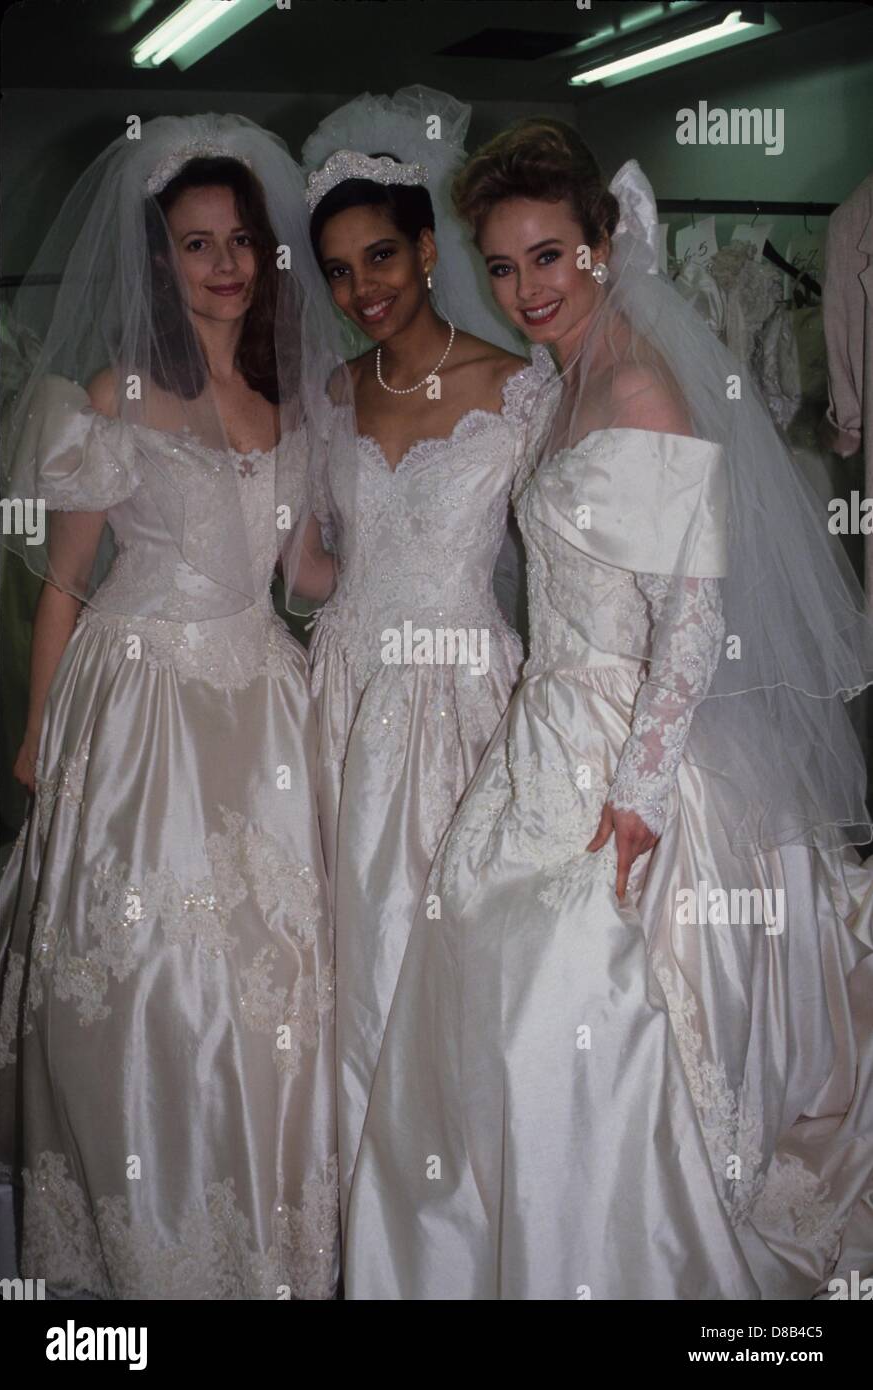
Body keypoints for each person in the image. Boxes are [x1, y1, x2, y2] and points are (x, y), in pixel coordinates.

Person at [344, 120, 873, 1300]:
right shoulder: (560, 378)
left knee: (563, 995)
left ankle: (595, 1250)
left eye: (548, 256)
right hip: (540, 729)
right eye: (502, 264)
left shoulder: (637, 386)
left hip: (622, 751)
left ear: (601, 244)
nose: (526, 287)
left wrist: (636, 793)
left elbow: (692, 615)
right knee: (475, 975)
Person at [0, 113, 341, 1299]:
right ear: (161, 260)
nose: (226, 264)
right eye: (197, 245)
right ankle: (140, 1251)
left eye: (240, 239)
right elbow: (65, 582)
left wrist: (409, 571)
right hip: (140, 706)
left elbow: (298, 576)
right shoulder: (116, 392)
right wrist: (40, 731)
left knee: (273, 978)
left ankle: (256, 1242)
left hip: (262, 709)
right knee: (143, 972)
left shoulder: (295, 398)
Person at [300, 87, 554, 1227]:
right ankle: (360, 1211)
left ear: (429, 247)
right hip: (341, 693)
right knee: (347, 960)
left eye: (382, 256)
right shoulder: (330, 392)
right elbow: (306, 563)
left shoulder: (518, 388)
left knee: (444, 962)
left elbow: (562, 565)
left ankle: (455, 1218)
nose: (363, 291)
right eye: (341, 271)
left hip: (461, 698)